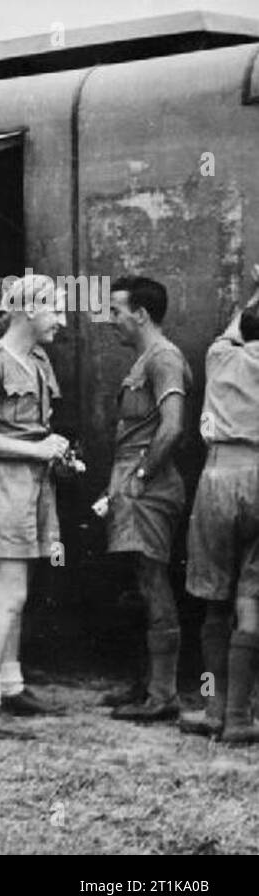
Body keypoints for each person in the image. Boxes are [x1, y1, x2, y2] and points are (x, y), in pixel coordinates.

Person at [0, 273, 70, 738]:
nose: (62, 321)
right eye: (55, 311)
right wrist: (37, 451)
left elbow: (35, 430)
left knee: (17, 593)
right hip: (4, 485)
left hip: (33, 485)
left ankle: (10, 685)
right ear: (28, 310)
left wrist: (55, 449)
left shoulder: (39, 361)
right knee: (9, 595)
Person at [91, 277, 191, 723]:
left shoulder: (164, 358)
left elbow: (172, 427)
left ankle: (163, 694)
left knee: (152, 580)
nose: (111, 319)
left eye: (116, 310)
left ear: (141, 315)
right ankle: (147, 684)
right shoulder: (145, 360)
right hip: (132, 483)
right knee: (140, 580)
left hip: (147, 486)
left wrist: (141, 476)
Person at [181, 272, 259, 742]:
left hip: (219, 475)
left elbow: (236, 329)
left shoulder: (220, 356)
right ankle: (239, 717)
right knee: (252, 602)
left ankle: (213, 707)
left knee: (214, 601)